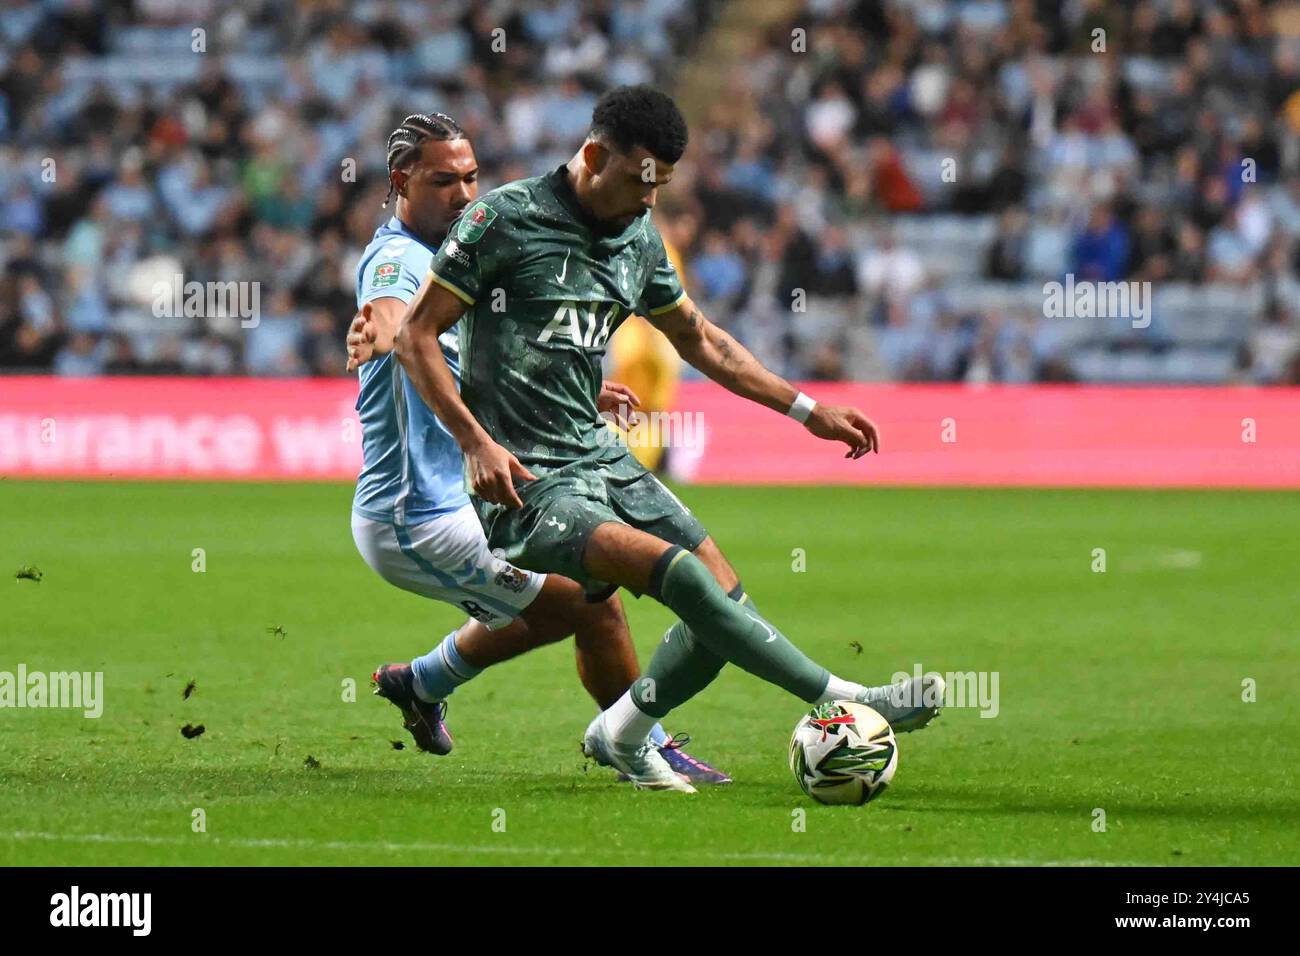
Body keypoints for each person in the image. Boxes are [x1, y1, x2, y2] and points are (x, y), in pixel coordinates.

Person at [350, 88, 943, 793]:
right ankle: (843, 697)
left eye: (659, 186)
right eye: (637, 182)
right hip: (526, 480)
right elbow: (406, 325)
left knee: (723, 597)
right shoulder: (502, 220)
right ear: (595, 156)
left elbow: (701, 340)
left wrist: (804, 408)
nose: (647, 201)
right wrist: (474, 438)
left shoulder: (637, 239)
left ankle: (622, 731)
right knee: (666, 584)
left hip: (595, 454)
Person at [348, 110, 729, 785]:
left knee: (580, 599)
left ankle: (423, 683)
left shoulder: (461, 253)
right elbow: (390, 320)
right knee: (594, 603)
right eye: (444, 181)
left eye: (471, 177)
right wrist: (379, 333)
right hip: (415, 517)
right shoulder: (397, 258)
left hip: (468, 499)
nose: (465, 194)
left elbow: (476, 360)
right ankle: (639, 746)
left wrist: (578, 395)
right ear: (400, 182)